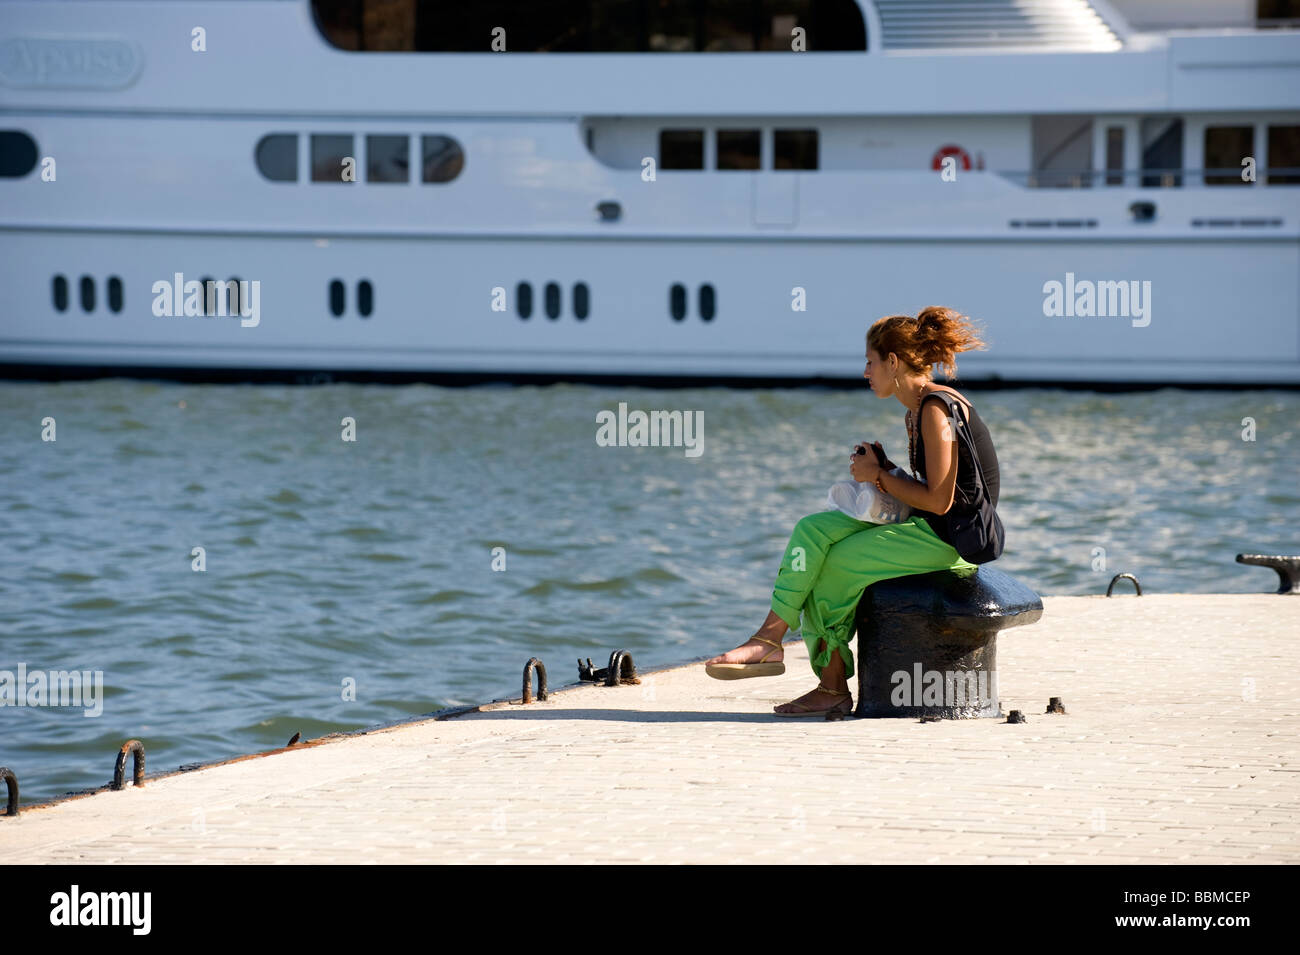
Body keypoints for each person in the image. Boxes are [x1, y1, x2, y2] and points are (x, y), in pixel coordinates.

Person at [704, 306, 1001, 717]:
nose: (865, 372)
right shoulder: (916, 410)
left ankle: (831, 686)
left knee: (834, 565)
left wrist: (878, 476)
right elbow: (928, 492)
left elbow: (940, 502)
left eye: (870, 361)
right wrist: (887, 470)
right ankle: (768, 639)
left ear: (892, 363)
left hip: (949, 540)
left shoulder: (935, 411)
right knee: (812, 530)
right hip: (927, 526)